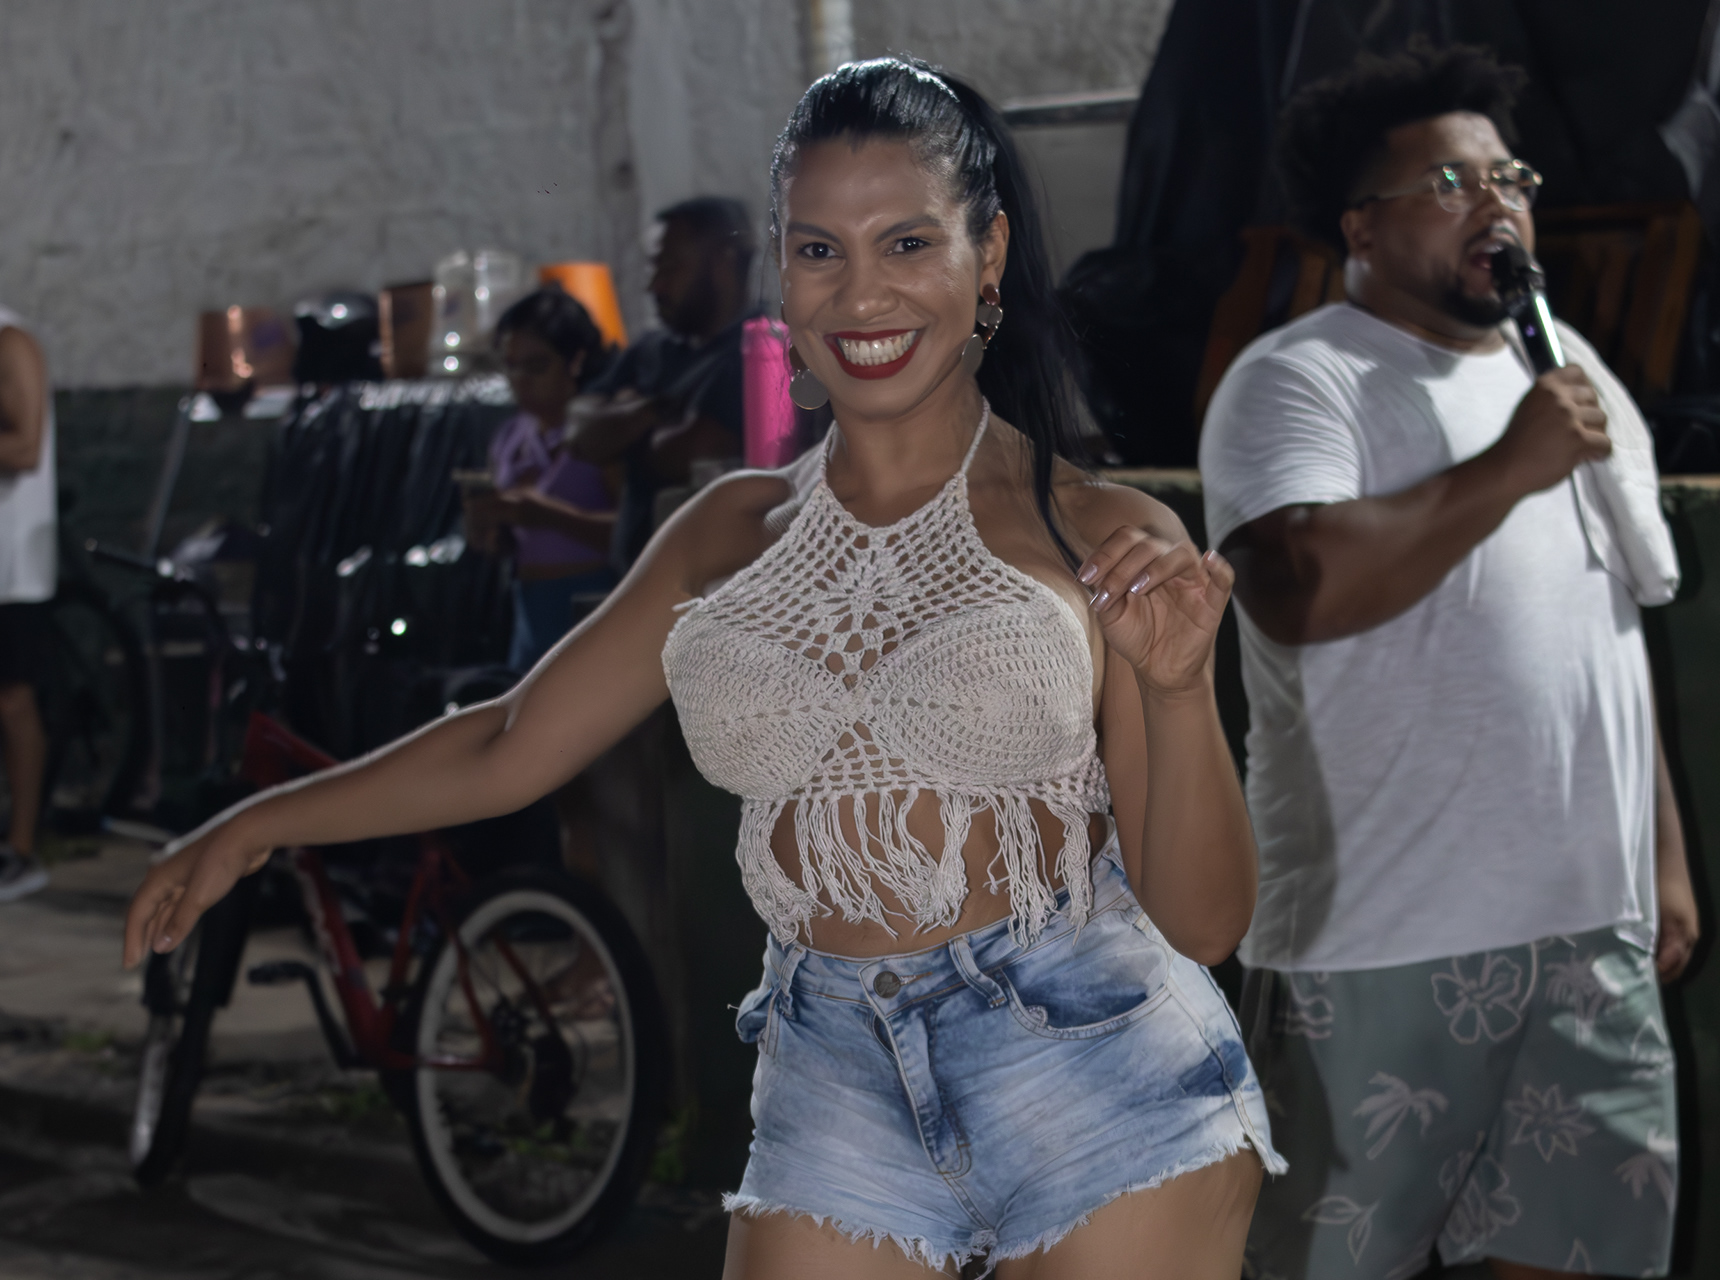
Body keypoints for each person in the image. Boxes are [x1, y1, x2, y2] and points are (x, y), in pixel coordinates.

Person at [124, 57, 1281, 1279]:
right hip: (833, 1065)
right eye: (820, 249)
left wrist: (1173, 691)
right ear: (782, 265)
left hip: (1092, 1056)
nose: (861, 293)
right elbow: (511, 738)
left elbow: (1205, 920)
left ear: (987, 255)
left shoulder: (1102, 533)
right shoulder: (728, 531)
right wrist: (256, 823)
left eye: (906, 243)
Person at [1198, 44, 1697, 1280]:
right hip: (1376, 939)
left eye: (1510, 178)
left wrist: (1661, 857)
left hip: (1588, 931)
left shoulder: (1567, 376)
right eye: (1452, 182)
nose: (1498, 203)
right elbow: (1297, 586)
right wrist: (1508, 468)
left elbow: (1609, 628)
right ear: (1360, 226)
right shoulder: (1296, 379)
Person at [567, 196, 759, 570]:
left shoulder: (760, 350)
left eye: (669, 267)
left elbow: (691, 453)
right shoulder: (650, 350)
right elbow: (578, 434)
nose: (654, 285)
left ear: (723, 264)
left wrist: (620, 422)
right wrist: (653, 412)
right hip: (635, 580)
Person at [464, 286, 621, 673]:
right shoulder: (510, 437)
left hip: (594, 602)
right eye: (511, 366)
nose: (520, 380)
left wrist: (548, 515)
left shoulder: (602, 432)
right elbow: (512, 545)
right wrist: (491, 530)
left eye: (536, 367)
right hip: (530, 611)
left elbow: (636, 534)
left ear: (575, 361)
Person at [0, 305, 54, 903]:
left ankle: (21, 850)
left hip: (12, 562)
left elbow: (24, 447)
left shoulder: (9, 341)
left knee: (13, 699)